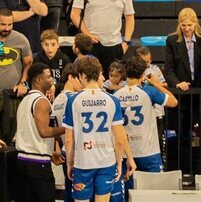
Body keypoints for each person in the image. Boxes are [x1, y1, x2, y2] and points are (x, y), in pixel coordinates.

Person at [63, 56, 135, 202]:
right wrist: (119, 163)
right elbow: (120, 138)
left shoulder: (73, 100)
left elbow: (69, 139)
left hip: (83, 162)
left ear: (83, 75)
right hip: (106, 162)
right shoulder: (112, 99)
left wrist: (70, 163)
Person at [113, 56, 177, 200]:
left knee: (129, 196)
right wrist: (156, 84)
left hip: (125, 154)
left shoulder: (116, 95)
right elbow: (173, 101)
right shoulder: (149, 91)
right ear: (143, 74)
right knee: (154, 196)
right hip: (148, 152)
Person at [71, 0, 135, 78]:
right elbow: (74, 15)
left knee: (113, 84)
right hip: (91, 45)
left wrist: (126, 42)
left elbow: (130, 17)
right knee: (90, 82)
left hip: (115, 46)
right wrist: (87, 34)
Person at [163, 7, 201, 178]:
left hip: (200, 96)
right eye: (183, 25)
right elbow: (168, 69)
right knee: (182, 135)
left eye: (189, 25)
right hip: (182, 98)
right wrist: (177, 83)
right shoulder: (172, 40)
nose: (187, 29)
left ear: (195, 24)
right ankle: (182, 171)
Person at [15, 62, 65, 202]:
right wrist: (67, 128)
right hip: (37, 163)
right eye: (48, 77)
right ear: (38, 80)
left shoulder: (24, 101)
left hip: (22, 161)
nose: (51, 80)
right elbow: (44, 131)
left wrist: (51, 152)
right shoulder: (42, 101)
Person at [0, 8, 32, 144]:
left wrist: (23, 83)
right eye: (3, 24)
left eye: (10, 24)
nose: (7, 28)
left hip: (11, 95)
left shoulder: (20, 39)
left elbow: (29, 64)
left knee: (9, 134)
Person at [51, 63, 82, 202]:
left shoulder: (57, 99)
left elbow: (52, 126)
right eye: (79, 79)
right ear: (71, 77)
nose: (82, 83)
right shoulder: (73, 99)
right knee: (78, 193)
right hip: (75, 151)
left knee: (69, 190)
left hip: (63, 149)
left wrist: (56, 147)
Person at [136, 46, 168, 159]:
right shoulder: (134, 71)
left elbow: (164, 84)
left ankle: (160, 161)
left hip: (157, 112)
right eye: (143, 62)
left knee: (159, 138)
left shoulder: (155, 69)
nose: (146, 64)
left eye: (148, 61)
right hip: (143, 113)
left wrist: (155, 83)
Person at [34, 29, 70, 99]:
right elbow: (34, 81)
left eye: (53, 44)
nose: (49, 49)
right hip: (41, 96)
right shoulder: (37, 59)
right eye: (46, 45)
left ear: (58, 45)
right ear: (42, 45)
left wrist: (55, 87)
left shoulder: (65, 59)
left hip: (60, 96)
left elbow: (69, 82)